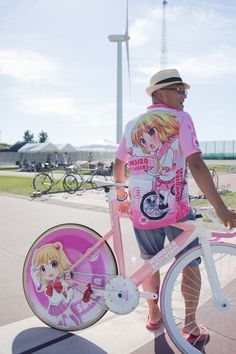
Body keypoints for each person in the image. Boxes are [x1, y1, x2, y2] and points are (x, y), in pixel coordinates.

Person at [113, 68, 236, 338]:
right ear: (160, 93)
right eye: (179, 90)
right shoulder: (181, 118)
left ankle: (154, 314)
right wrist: (221, 208)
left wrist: (122, 197)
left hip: (141, 212)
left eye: (185, 91)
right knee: (190, 263)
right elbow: (196, 164)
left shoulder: (132, 123)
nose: (184, 96)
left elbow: (119, 163)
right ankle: (189, 324)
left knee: (150, 262)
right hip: (177, 210)